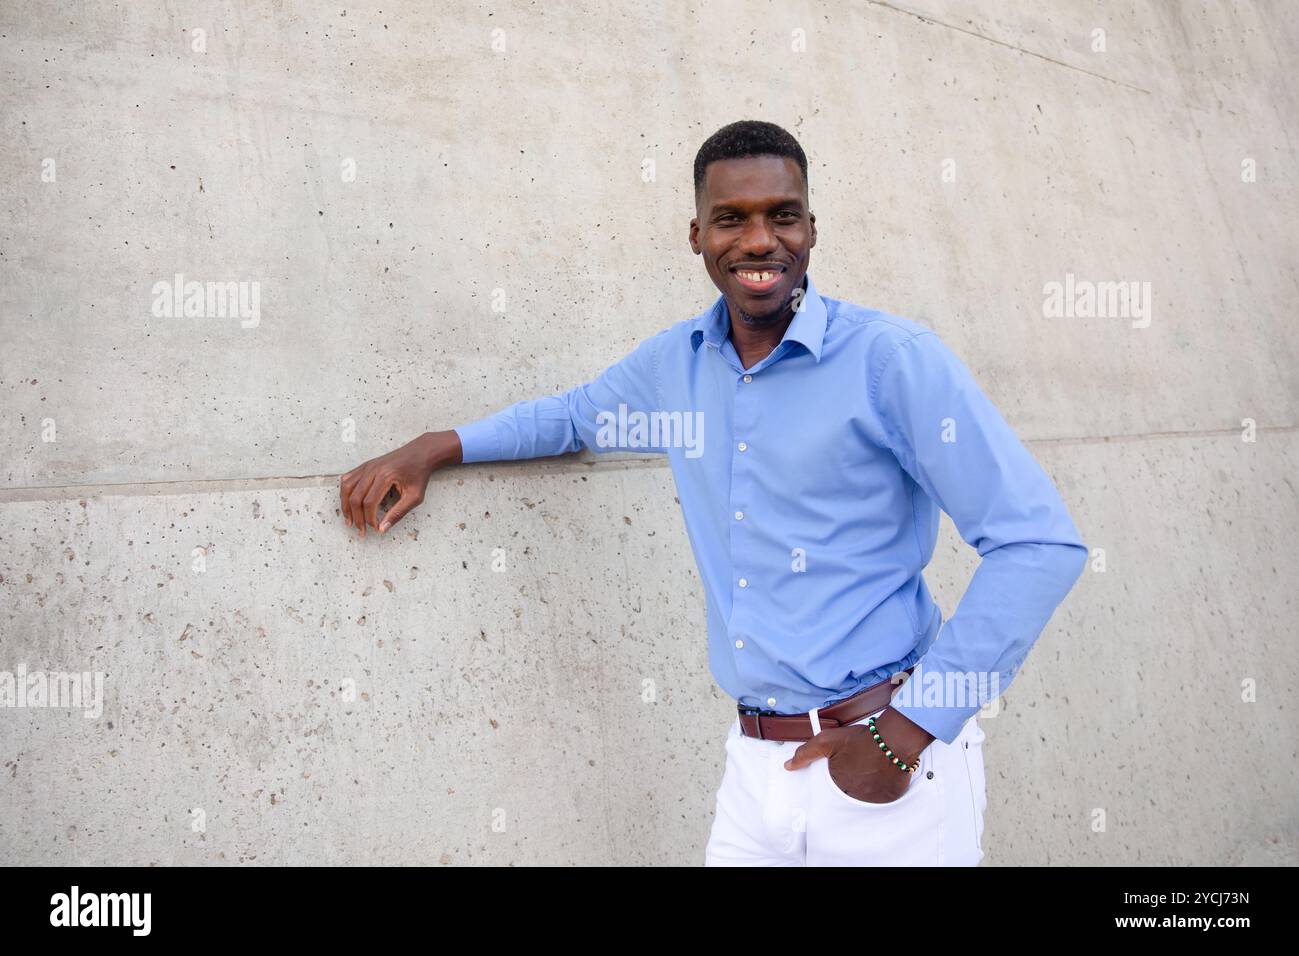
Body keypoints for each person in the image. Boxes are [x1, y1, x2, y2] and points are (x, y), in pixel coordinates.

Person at [339, 120, 1088, 866]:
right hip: (753, 768)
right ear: (696, 235)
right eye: (733, 219)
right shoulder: (679, 365)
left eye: (782, 215)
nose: (760, 241)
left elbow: (1039, 545)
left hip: (883, 768)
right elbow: (572, 417)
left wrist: (910, 729)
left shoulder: (891, 363)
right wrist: (437, 445)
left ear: (812, 229)